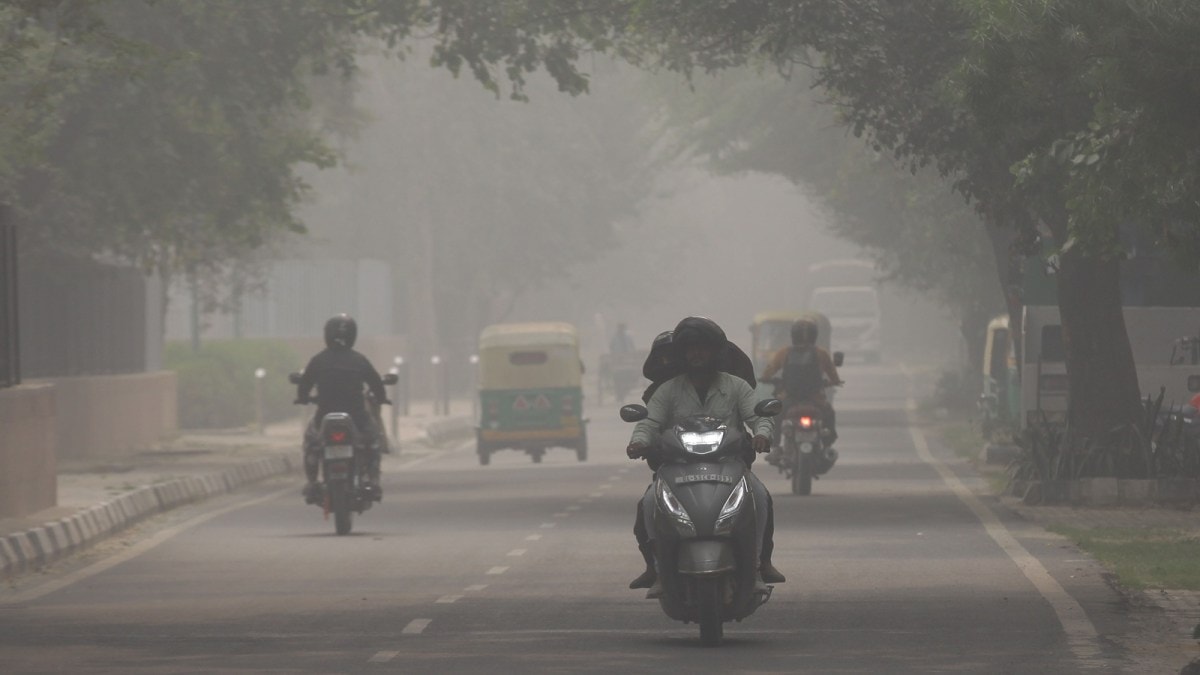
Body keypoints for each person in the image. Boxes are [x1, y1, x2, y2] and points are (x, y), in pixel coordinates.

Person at [625, 316, 785, 595]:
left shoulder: (737, 386)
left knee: (760, 497)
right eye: (690, 349)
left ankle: (760, 564)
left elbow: (756, 415)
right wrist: (639, 442)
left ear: (716, 352)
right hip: (676, 467)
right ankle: (657, 569)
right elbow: (649, 422)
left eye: (703, 348)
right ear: (682, 354)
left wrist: (762, 434)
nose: (696, 354)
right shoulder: (668, 389)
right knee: (649, 502)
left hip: (730, 465)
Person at [296, 314, 390, 503]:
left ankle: (312, 482)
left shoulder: (318, 360)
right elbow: (376, 383)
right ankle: (373, 480)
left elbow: (304, 384)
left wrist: (302, 398)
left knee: (311, 443)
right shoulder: (359, 360)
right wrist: (382, 398)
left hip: (324, 415)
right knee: (373, 441)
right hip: (357, 417)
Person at [760, 317, 843, 460]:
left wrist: (766, 378)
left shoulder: (784, 352)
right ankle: (827, 446)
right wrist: (834, 382)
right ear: (814, 335)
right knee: (829, 414)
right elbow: (833, 376)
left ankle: (776, 448)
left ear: (793, 335)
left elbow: (769, 371)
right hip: (815, 398)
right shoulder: (821, 353)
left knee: (775, 416)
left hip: (789, 397)